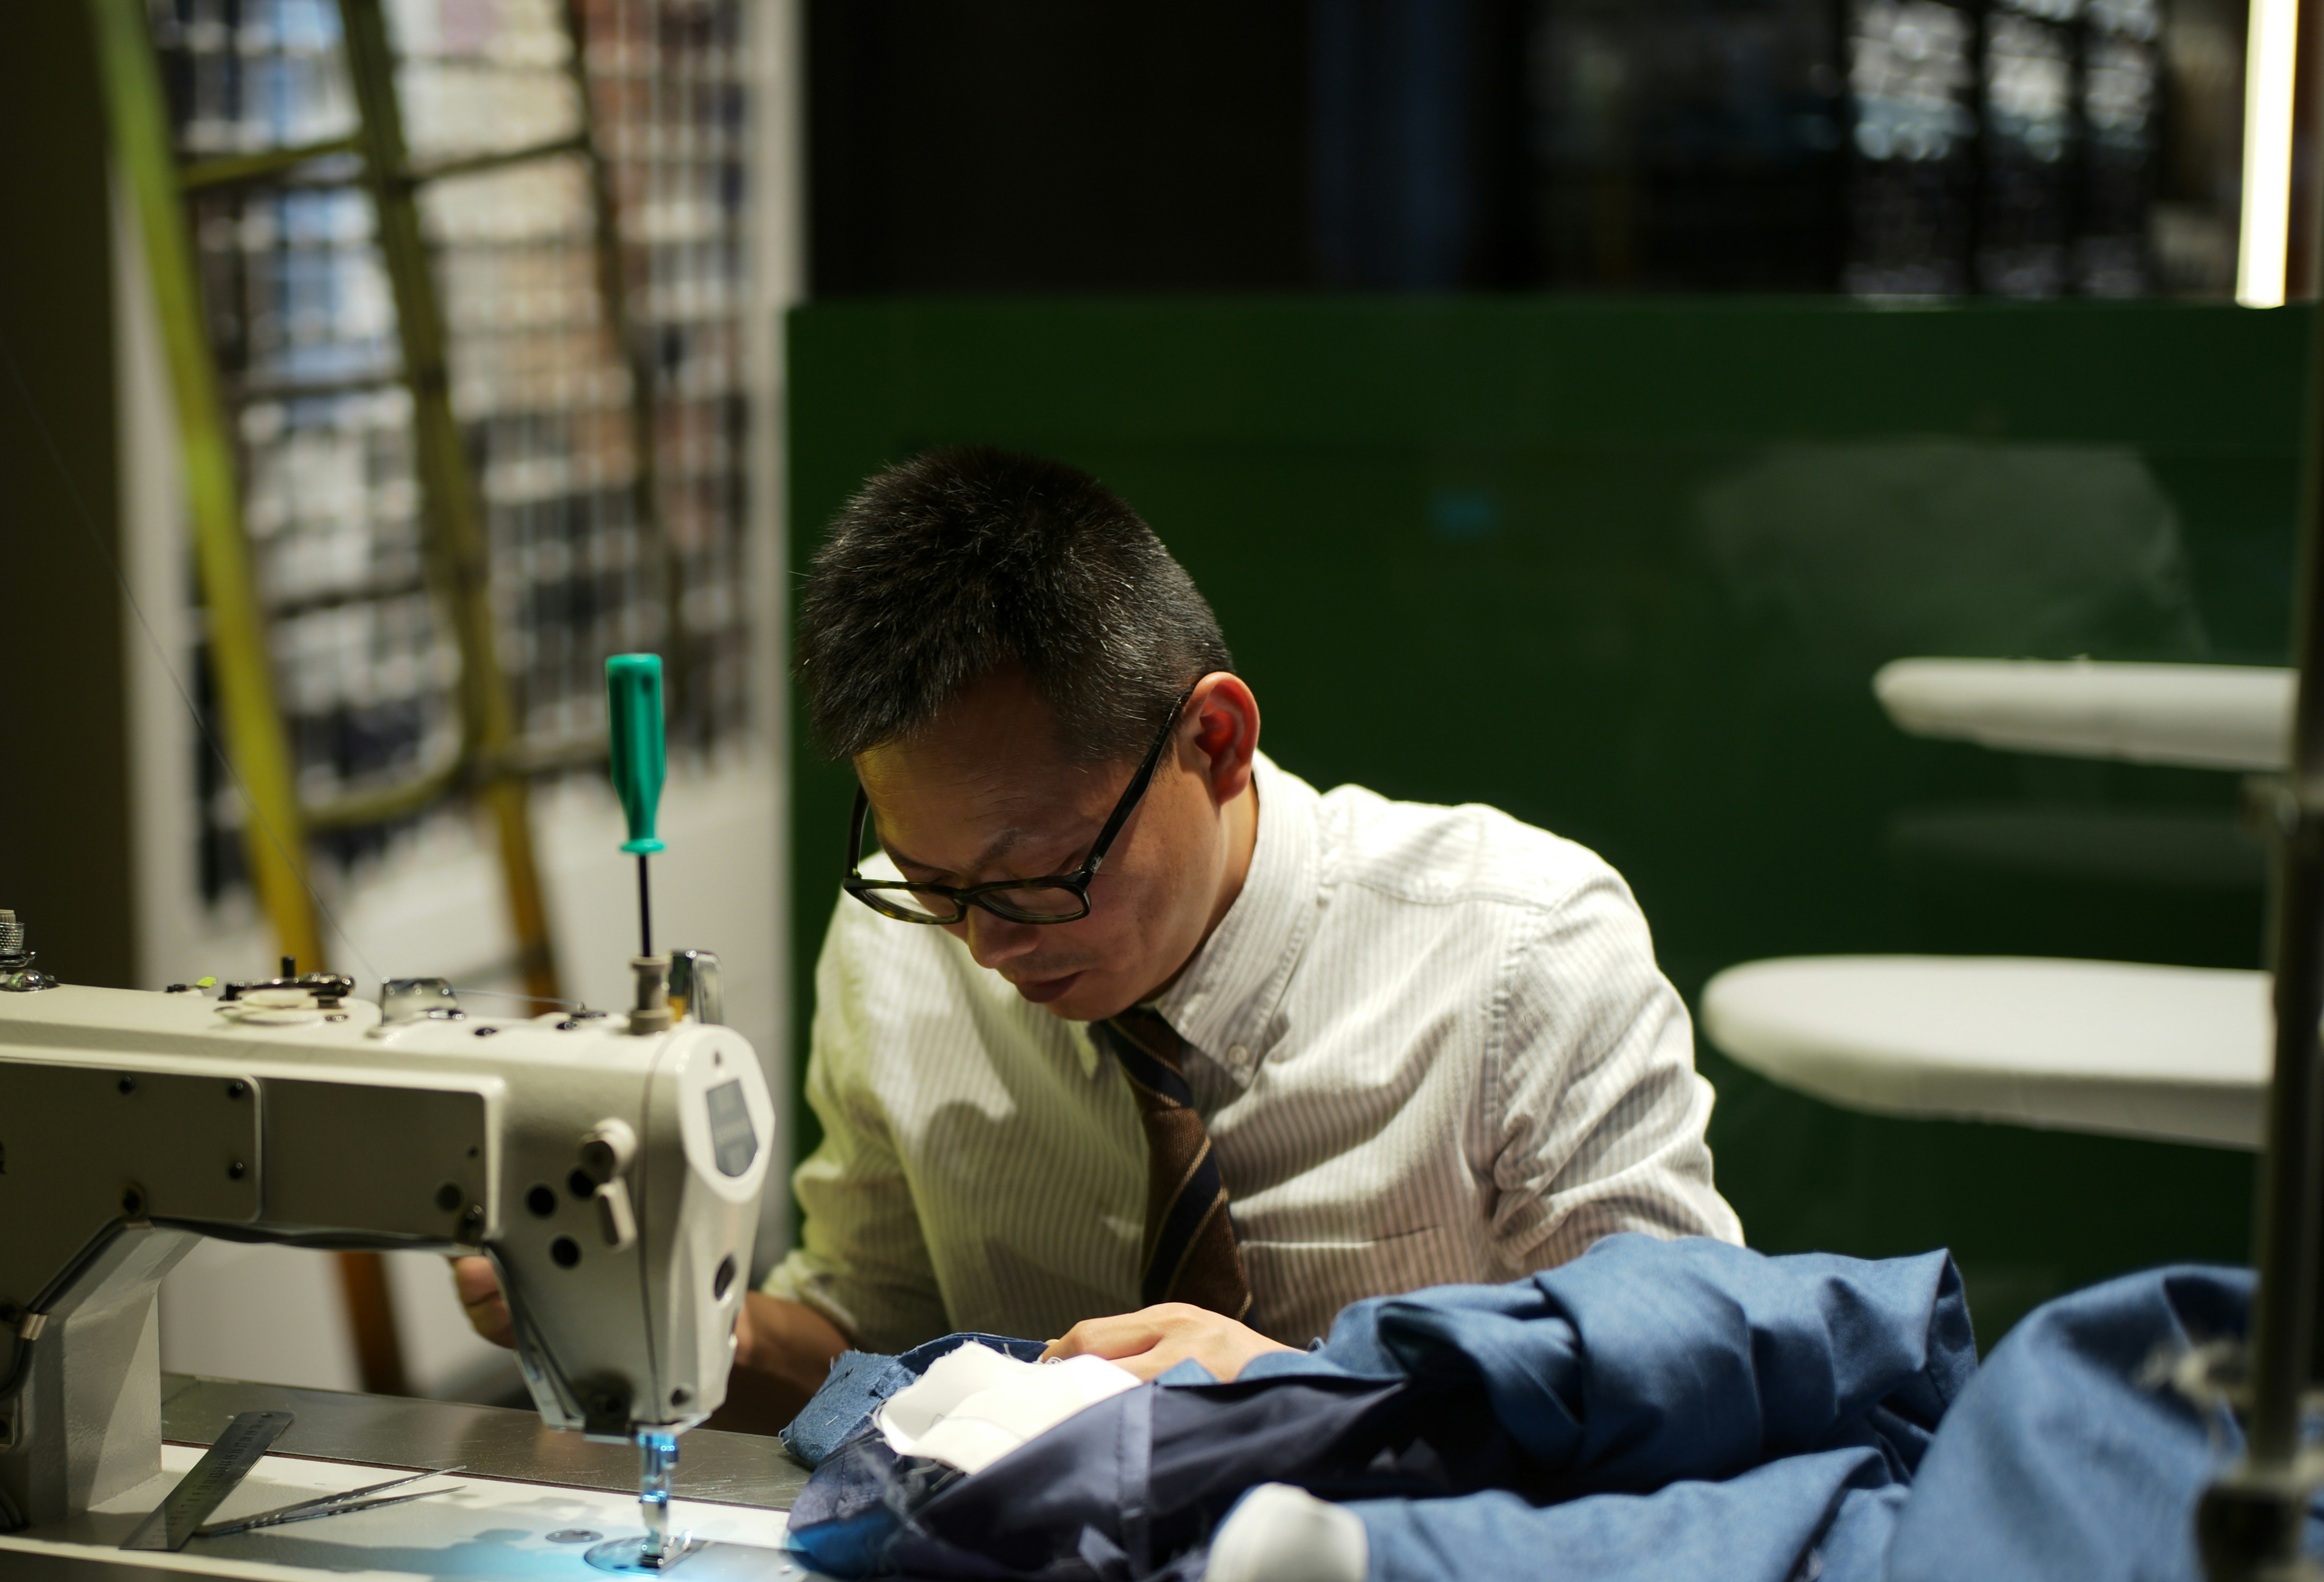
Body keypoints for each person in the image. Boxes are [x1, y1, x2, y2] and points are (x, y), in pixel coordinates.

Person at [457, 446, 1739, 1430]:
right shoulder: (900, 948)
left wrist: (1309, 1384)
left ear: (1216, 742)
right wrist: (688, 1321)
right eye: (931, 879)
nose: (986, 948)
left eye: (1036, 879)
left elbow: (1695, 1379)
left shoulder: (1521, 952)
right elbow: (868, 1337)